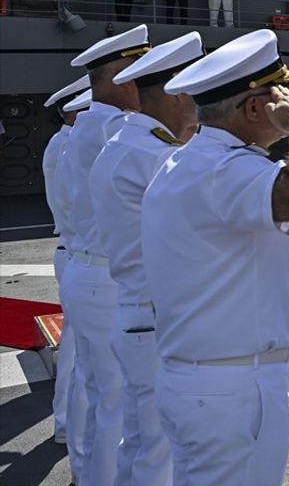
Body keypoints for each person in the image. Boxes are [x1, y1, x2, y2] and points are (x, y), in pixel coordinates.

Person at [143, 29, 289, 485]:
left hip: (201, 382)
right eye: (282, 96)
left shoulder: (186, 162)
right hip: (233, 391)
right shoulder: (225, 170)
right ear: (256, 107)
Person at [92, 32, 202, 486]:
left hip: (136, 313)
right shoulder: (155, 156)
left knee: (138, 446)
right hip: (159, 322)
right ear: (178, 94)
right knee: (162, 457)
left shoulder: (124, 144)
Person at [58, 24, 150, 485]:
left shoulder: (90, 123)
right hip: (107, 277)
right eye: (142, 71)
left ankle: (86, 474)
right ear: (122, 79)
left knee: (98, 395)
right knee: (119, 402)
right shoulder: (115, 126)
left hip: (88, 269)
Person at [41, 76, 91, 464]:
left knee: (78, 351)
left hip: (74, 252)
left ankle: (66, 424)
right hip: (77, 251)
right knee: (76, 355)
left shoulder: (63, 144)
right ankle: (66, 425)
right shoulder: (69, 146)